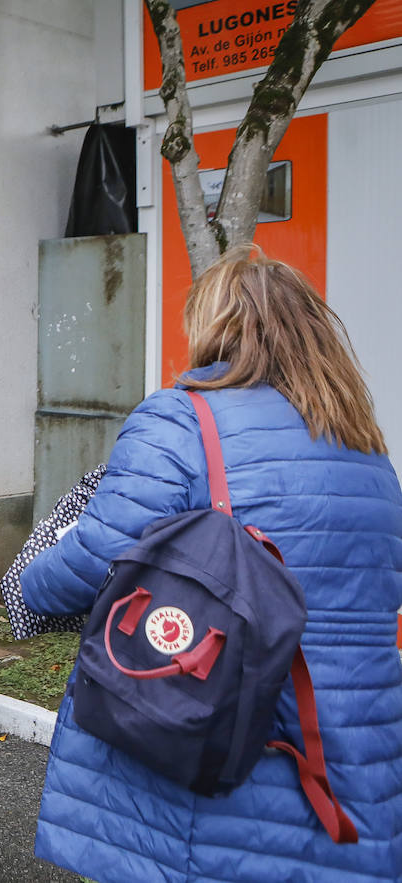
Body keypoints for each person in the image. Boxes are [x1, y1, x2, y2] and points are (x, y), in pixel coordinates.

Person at [21, 246, 402, 881]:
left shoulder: (183, 417)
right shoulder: (366, 447)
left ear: (216, 326)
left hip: (220, 735)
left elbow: (95, 560)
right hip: (357, 749)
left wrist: (29, 578)